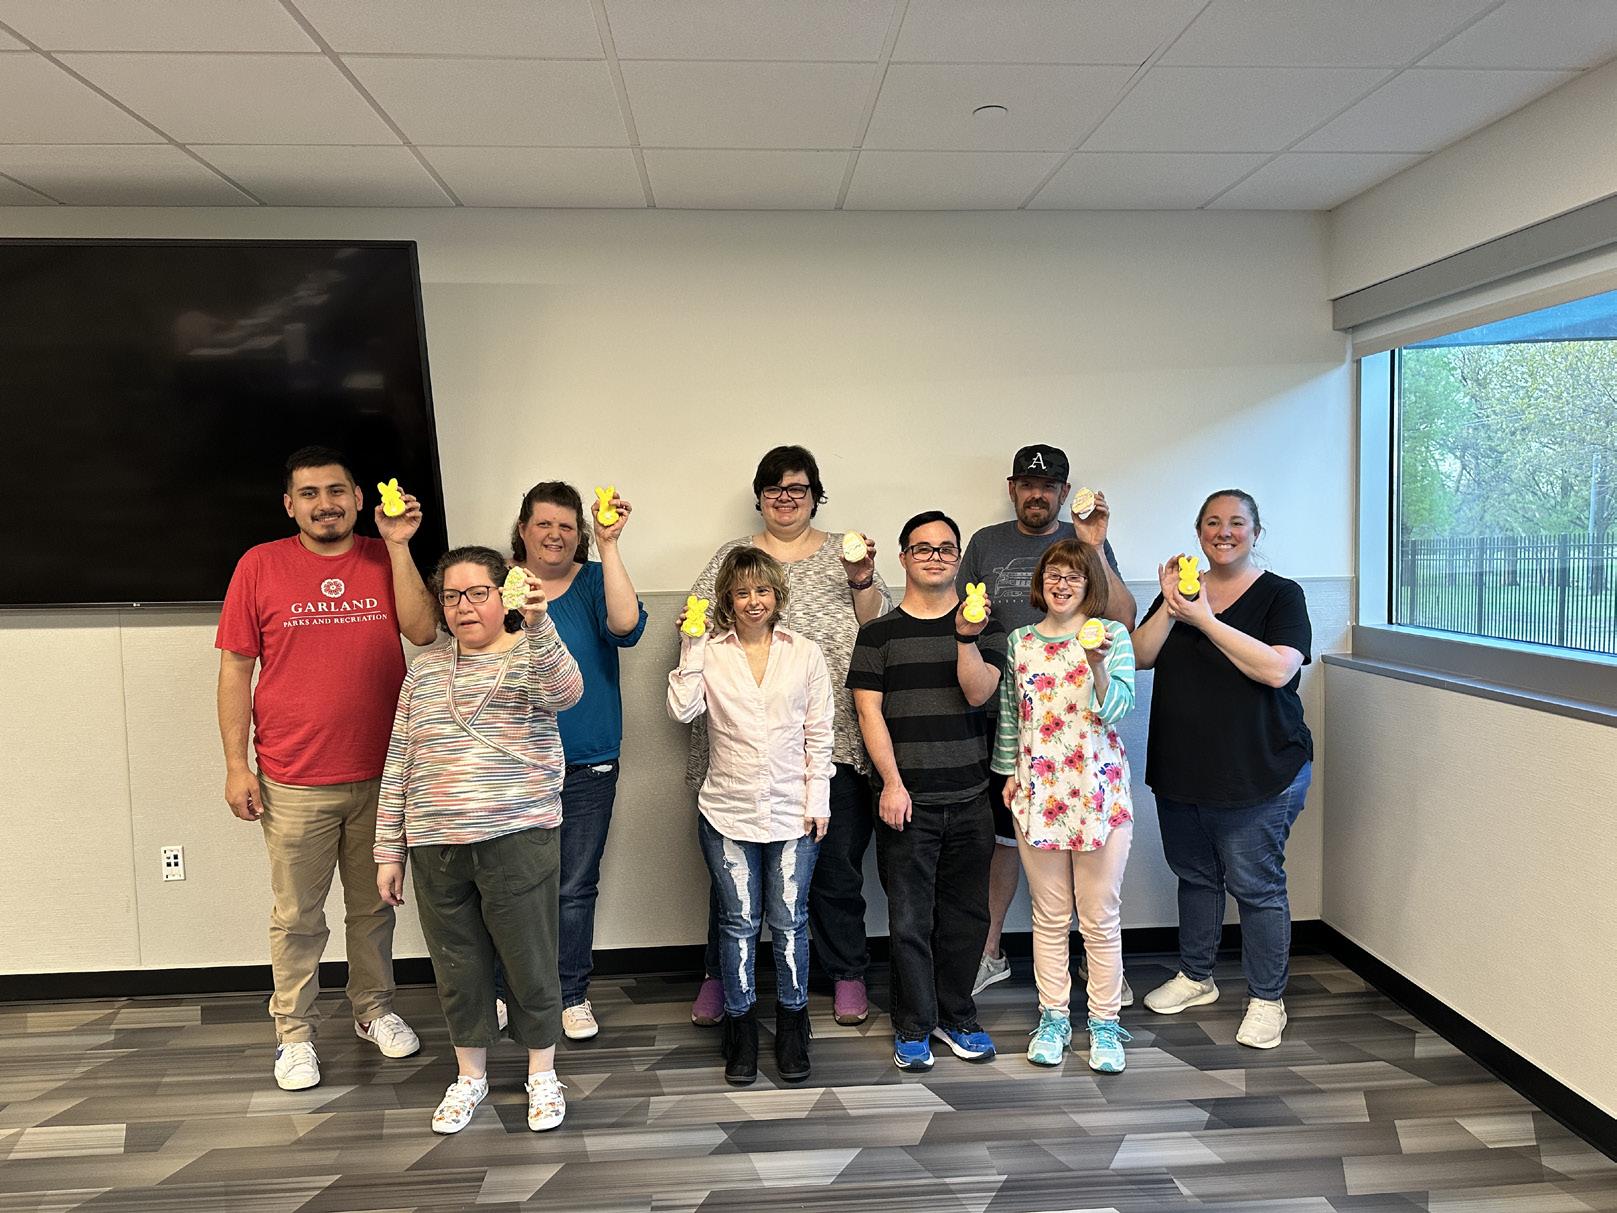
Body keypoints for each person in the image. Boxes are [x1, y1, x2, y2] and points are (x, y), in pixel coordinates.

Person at [216, 445, 437, 1092]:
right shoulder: (260, 564)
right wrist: (236, 764)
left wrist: (398, 545)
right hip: (292, 777)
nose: (325, 504)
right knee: (297, 917)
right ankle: (294, 1034)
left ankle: (373, 1010)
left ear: (358, 498)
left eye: (337, 491)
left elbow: (423, 631)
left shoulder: (383, 555)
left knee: (373, 909)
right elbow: (235, 668)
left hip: (383, 774)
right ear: (290, 505)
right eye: (309, 493)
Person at [375, 547, 583, 1133]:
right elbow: (400, 760)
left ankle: (542, 1072)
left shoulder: (531, 653)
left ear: (503, 595)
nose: (463, 606)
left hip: (517, 836)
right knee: (457, 967)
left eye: (477, 593)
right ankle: (470, 1075)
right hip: (435, 844)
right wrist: (389, 849)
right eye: (451, 596)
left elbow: (567, 692)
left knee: (530, 961)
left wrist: (539, 624)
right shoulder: (425, 671)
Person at [684, 446, 891, 1029]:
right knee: (734, 879)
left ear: (815, 495)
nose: (785, 498)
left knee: (835, 869)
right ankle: (720, 975)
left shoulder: (846, 551)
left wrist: (861, 578)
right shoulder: (733, 556)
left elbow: (879, 628)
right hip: (742, 747)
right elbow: (699, 620)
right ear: (759, 498)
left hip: (833, 738)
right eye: (773, 489)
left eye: (797, 488)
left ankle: (846, 971)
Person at [1132, 490, 1314, 1050]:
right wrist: (1171, 606)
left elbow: (1278, 670)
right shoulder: (1182, 595)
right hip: (1183, 768)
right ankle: (1197, 976)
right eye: (1212, 522)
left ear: (1256, 532)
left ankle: (1267, 999)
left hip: (1260, 769)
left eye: (1237, 522)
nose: (1224, 532)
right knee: (1196, 876)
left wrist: (1205, 620)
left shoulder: (1281, 594)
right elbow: (1139, 655)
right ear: (1198, 532)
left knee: (1256, 886)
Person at [958, 443, 1138, 1002]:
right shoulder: (986, 544)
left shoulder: (1088, 547)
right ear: (1013, 488)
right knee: (1007, 847)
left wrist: (1095, 545)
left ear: (1063, 492)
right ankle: (992, 953)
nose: (1037, 493)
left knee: (1095, 883)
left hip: (1085, 747)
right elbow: (958, 612)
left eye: (1049, 485)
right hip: (1011, 725)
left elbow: (1123, 618)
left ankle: (1099, 970)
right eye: (1028, 484)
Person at [668, 548, 833, 1085]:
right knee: (738, 923)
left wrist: (819, 799)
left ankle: (793, 1024)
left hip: (794, 814)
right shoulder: (711, 652)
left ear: (777, 596)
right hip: (727, 811)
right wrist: (691, 645)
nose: (753, 601)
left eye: (762, 590)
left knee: (789, 922)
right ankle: (740, 1029)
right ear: (728, 600)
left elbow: (820, 733)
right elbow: (682, 709)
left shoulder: (804, 653)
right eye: (742, 592)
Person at [848, 510, 1006, 1071]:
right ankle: (913, 1025)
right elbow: (868, 713)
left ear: (958, 559)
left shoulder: (986, 626)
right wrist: (891, 783)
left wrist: (965, 637)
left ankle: (957, 1016)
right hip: (905, 801)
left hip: (971, 797)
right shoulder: (878, 633)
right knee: (910, 921)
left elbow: (979, 693)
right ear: (903, 558)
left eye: (945, 548)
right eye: (923, 548)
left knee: (967, 917)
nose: (935, 557)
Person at [501, 481, 647, 1041]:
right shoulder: (500, 583)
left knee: (574, 887)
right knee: (508, 886)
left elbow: (625, 628)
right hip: (511, 762)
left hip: (589, 761)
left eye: (567, 525)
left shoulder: (593, 580)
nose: (555, 534)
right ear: (523, 529)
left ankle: (571, 995)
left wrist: (609, 544)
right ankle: (505, 992)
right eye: (544, 523)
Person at [991, 540, 1137, 1071]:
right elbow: (1012, 712)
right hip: (1038, 795)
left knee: (1099, 918)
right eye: (1054, 573)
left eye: (1074, 576)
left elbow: (1117, 709)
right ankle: (1053, 1018)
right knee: (1049, 917)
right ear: (1041, 581)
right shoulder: (1020, 642)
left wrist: (1097, 665)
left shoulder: (1113, 636)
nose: (1062, 584)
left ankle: (1105, 1024)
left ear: (1089, 585)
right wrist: (1009, 773)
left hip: (1099, 795)